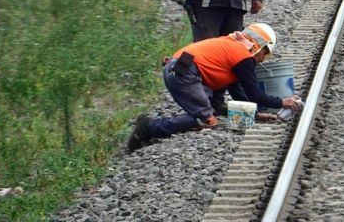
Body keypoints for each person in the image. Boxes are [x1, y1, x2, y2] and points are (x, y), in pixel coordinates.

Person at [126, 23, 303, 152]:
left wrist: (254, 114)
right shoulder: (243, 56)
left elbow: (236, 91)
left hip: (178, 69)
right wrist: (282, 102)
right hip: (184, 73)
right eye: (265, 53)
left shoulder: (233, 46)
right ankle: (149, 127)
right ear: (260, 46)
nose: (263, 59)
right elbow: (254, 94)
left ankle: (151, 130)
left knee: (207, 114)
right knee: (205, 120)